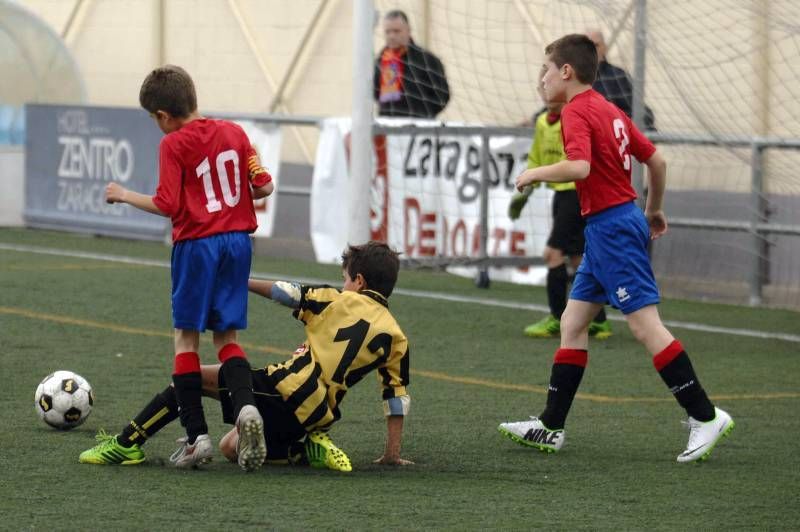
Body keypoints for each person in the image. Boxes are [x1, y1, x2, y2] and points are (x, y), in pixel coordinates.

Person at [499, 34, 734, 463]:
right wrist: (653, 210)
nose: (542, 79)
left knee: (646, 327)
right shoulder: (611, 109)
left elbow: (579, 167)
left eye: (546, 70)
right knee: (572, 322)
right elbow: (656, 161)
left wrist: (535, 172)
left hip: (612, 228)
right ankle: (551, 426)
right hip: (613, 224)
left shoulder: (575, 111)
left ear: (566, 72)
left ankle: (705, 415)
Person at [79, 241, 413, 469]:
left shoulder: (338, 301)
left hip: (282, 391)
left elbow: (287, 293)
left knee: (188, 379)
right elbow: (395, 398)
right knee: (229, 447)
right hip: (314, 415)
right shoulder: (396, 336)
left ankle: (127, 444)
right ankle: (301, 449)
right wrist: (392, 454)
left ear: (358, 280)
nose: (343, 286)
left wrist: (239, 283)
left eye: (345, 280)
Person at [104, 65, 274, 471]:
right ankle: (247, 409)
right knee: (227, 337)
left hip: (197, 245)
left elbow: (168, 204)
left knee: (185, 339)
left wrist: (124, 194)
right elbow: (264, 185)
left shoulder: (174, 144)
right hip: (237, 242)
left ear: (163, 115)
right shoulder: (235, 132)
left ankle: (197, 437)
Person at [509, 65, 612, 339]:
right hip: (562, 195)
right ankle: (598, 319)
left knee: (552, 255)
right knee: (579, 258)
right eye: (541, 85)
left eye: (548, 83)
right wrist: (524, 193)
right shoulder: (543, 123)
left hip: (576, 193)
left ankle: (557, 317)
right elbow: (537, 160)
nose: (545, 90)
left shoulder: (574, 117)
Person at [374, 9, 450, 118]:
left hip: (419, 125)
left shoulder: (427, 60)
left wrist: (424, 113)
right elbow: (375, 93)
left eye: (396, 31)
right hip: (387, 124)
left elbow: (442, 95)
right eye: (388, 32)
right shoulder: (380, 61)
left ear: (408, 30)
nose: (391, 36)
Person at [585, 30, 655, 130]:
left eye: (595, 45)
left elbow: (640, 112)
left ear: (604, 48)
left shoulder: (617, 76)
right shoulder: (572, 77)